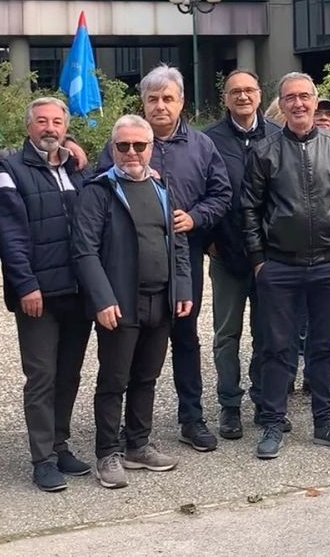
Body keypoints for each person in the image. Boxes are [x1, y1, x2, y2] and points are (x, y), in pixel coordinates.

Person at [242, 72, 330, 459]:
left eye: (305, 97)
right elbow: (249, 209)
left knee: (324, 347)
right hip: (280, 266)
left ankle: (326, 422)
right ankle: (273, 423)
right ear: (280, 104)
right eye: (290, 97)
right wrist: (259, 259)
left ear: (315, 101)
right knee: (277, 348)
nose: (298, 104)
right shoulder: (264, 150)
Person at [113, 65, 233, 454]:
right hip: (131, 261)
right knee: (129, 340)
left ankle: (191, 418)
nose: (160, 106)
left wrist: (196, 217)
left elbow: (221, 193)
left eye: (168, 98)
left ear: (181, 102)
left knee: (185, 336)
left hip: (185, 255)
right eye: (153, 99)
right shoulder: (124, 143)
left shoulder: (201, 146)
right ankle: (124, 425)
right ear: (143, 104)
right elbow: (101, 191)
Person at [71, 116, 194, 487]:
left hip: (161, 301)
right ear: (112, 149)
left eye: (139, 145)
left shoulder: (163, 189)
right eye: (122, 146)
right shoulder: (98, 192)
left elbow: (179, 244)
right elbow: (84, 252)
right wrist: (102, 299)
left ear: (151, 149)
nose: (131, 153)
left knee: (147, 377)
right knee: (114, 381)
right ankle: (107, 453)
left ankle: (138, 443)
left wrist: (184, 288)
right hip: (119, 304)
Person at [0, 97, 92, 492]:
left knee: (69, 374)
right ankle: (42, 459)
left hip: (77, 291)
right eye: (41, 121)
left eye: (57, 122)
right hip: (38, 296)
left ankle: (60, 444)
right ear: (28, 126)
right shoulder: (10, 169)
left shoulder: (78, 169)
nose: (49, 128)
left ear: (66, 127)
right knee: (41, 376)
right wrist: (25, 284)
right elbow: (10, 234)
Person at [203, 70, 276, 441]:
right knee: (226, 336)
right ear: (226, 98)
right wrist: (206, 240)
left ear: (260, 95)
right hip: (227, 254)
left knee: (268, 334)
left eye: (249, 90)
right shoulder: (208, 141)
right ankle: (229, 405)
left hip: (271, 257)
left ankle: (265, 402)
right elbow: (197, 192)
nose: (243, 96)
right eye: (236, 91)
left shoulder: (278, 136)